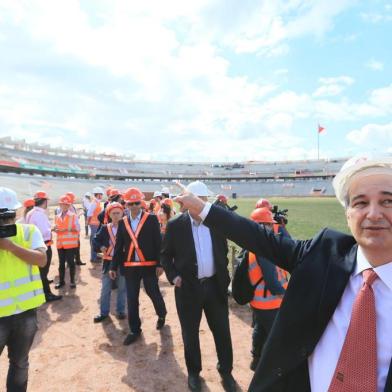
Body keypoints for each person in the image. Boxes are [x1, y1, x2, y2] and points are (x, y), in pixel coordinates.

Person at [175, 155, 392, 392]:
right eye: (360, 203)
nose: (373, 214)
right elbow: (258, 237)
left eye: (387, 202)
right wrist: (201, 208)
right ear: (347, 213)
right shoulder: (324, 254)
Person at [161, 181, 237, 392]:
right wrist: (174, 276)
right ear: (186, 203)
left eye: (202, 200)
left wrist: (225, 277)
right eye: (195, 200)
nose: (199, 204)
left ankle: (226, 372)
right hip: (188, 289)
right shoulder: (176, 225)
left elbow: (222, 252)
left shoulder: (217, 223)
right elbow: (165, 255)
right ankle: (194, 373)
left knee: (222, 331)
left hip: (215, 286)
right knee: (190, 334)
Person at [0, 187, 47, 392]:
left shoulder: (28, 231)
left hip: (25, 314)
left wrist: (12, 247)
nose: (5, 221)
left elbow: (42, 259)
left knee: (20, 363)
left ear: (17, 212)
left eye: (8, 215)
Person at [109, 187, 167, 345]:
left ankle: (162, 314)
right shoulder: (123, 222)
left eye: (136, 202)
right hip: (130, 267)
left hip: (148, 265)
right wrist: (113, 267)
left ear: (141, 203)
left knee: (153, 292)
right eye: (130, 203)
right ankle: (135, 329)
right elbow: (119, 246)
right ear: (126, 205)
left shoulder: (152, 219)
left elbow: (158, 243)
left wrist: (160, 264)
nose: (134, 206)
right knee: (132, 298)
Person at [246, 207, 288, 371]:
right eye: (270, 225)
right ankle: (271, 371)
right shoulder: (263, 248)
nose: (273, 227)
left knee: (261, 330)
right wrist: (287, 295)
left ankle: (256, 360)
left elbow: (285, 241)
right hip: (270, 303)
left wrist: (282, 227)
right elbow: (272, 282)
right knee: (276, 338)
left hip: (260, 302)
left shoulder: (257, 243)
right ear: (261, 226)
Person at [93, 202, 127, 322]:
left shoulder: (127, 228)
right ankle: (103, 312)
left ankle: (121, 311)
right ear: (109, 214)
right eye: (114, 213)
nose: (116, 215)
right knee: (105, 288)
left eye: (118, 213)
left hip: (122, 263)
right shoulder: (105, 228)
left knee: (122, 288)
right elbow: (95, 240)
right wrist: (101, 246)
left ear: (123, 213)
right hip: (108, 262)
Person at [26, 191, 62, 302]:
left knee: (40, 271)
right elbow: (42, 232)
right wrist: (52, 229)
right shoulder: (39, 214)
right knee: (43, 271)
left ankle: (41, 290)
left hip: (34, 246)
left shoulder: (31, 212)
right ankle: (46, 294)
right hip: (43, 246)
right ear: (44, 201)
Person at [54, 195, 80, 289]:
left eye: (66, 205)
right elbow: (57, 227)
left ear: (69, 206)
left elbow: (78, 228)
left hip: (70, 244)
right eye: (62, 204)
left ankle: (72, 281)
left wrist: (66, 229)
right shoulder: (57, 216)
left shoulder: (73, 216)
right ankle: (61, 281)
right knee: (61, 264)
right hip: (60, 244)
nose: (64, 206)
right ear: (60, 205)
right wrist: (55, 229)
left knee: (71, 263)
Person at [66, 191, 85, 266]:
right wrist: (79, 214)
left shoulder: (71, 206)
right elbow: (71, 218)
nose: (74, 200)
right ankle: (71, 261)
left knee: (76, 246)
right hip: (71, 231)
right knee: (71, 247)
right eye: (73, 199)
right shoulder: (68, 207)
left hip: (74, 230)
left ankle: (77, 260)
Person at [87, 187, 103, 263]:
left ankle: (95, 255)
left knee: (95, 240)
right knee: (94, 241)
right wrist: (88, 222)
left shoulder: (97, 202)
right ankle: (93, 258)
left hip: (96, 224)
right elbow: (89, 213)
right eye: (100, 194)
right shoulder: (94, 203)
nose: (101, 196)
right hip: (94, 224)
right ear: (97, 195)